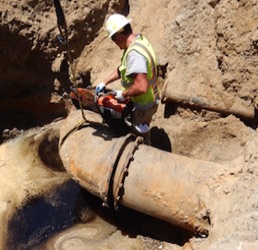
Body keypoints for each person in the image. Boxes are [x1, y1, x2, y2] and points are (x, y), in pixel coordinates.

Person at [95, 13, 159, 144]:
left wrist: (122, 94)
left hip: (143, 105)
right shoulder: (139, 42)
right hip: (149, 99)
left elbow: (141, 87)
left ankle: (144, 157)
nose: (114, 43)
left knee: (139, 138)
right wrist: (104, 82)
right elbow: (123, 68)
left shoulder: (134, 54)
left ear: (118, 35)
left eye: (113, 39)